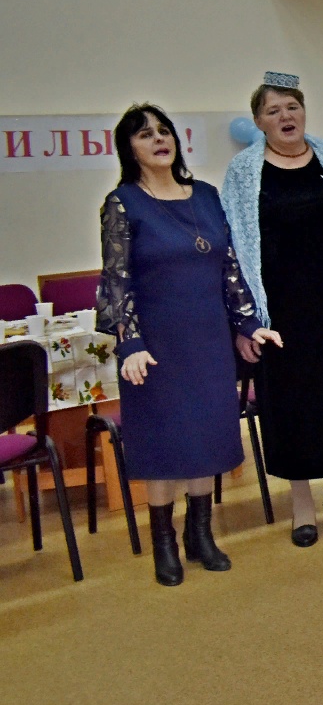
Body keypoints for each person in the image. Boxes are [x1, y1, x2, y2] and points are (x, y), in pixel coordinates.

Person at [96, 104, 282, 585]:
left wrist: (247, 324)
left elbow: (229, 266)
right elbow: (116, 280)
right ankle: (165, 543)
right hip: (156, 347)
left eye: (164, 131)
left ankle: (201, 535)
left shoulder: (205, 195)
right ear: (129, 149)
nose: (159, 139)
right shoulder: (123, 202)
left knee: (206, 435)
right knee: (164, 442)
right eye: (145, 135)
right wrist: (129, 342)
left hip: (208, 341)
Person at [221, 74, 323, 548]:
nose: (285, 117)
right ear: (259, 122)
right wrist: (246, 323)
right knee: (292, 407)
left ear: (303, 111)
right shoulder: (243, 172)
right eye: (273, 111)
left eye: (292, 107)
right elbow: (233, 251)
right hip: (279, 314)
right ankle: (301, 507)